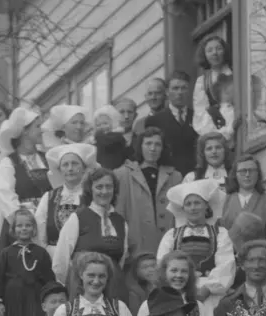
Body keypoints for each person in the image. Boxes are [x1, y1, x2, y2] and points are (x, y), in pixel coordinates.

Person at [0, 106, 49, 290]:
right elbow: (6, 196)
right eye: (37, 127)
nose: (41, 130)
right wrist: (24, 224)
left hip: (49, 226)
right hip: (26, 230)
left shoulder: (47, 159)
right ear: (25, 131)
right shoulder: (8, 163)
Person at [52, 167, 130, 302]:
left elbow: (121, 261)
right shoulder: (78, 218)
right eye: (99, 187)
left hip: (114, 290)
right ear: (90, 190)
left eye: (109, 187)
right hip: (82, 292)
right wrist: (72, 286)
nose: (104, 191)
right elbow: (60, 261)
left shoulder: (120, 222)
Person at [157, 179, 235, 315]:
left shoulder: (220, 234)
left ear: (206, 206)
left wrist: (207, 289)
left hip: (210, 296)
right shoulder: (172, 235)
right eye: (188, 204)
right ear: (183, 208)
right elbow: (162, 264)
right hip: (179, 292)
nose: (193, 207)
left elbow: (226, 265)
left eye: (197, 203)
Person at [115, 126, 182, 258]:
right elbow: (119, 212)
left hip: (168, 244)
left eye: (157, 144)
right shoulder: (123, 174)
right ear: (140, 146)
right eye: (148, 143)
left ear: (163, 148)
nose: (153, 148)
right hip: (135, 245)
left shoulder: (175, 176)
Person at [137, 251, 210, 316]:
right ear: (164, 273)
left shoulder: (198, 308)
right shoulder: (147, 306)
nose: (179, 275)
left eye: (184, 271)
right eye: (174, 270)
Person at [35, 142, 94, 248]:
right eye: (65, 165)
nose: (70, 168)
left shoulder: (92, 196)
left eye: (75, 163)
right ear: (60, 170)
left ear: (84, 168)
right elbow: (39, 234)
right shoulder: (49, 197)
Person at [143, 70, 197, 174]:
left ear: (189, 91)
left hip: (193, 176)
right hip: (167, 176)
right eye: (175, 88)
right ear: (167, 92)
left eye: (184, 88)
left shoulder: (198, 117)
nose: (180, 92)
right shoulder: (155, 120)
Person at [190, 36, 236, 143]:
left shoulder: (236, 73)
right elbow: (200, 113)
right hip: (219, 134)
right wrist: (221, 134)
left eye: (218, 48)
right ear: (204, 55)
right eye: (209, 50)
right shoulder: (203, 82)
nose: (214, 53)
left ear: (225, 51)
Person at [220, 156, 266, 230]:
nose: (247, 175)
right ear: (235, 175)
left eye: (251, 170)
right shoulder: (228, 199)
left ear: (258, 174)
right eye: (243, 171)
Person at [92, 105, 129, 170]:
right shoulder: (99, 138)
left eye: (105, 123)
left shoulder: (117, 136)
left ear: (113, 123)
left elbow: (107, 142)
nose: (102, 127)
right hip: (100, 170)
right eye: (98, 125)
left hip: (115, 169)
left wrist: (97, 135)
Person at [125, 252, 159, 316]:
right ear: (136, 271)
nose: (150, 270)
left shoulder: (161, 287)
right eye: (145, 267)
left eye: (153, 266)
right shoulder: (134, 293)